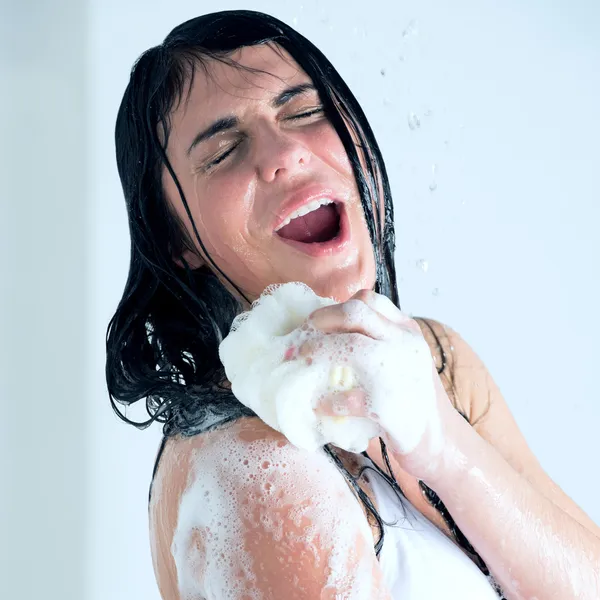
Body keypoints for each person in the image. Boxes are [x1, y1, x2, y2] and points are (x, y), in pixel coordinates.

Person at [106, 9, 600, 600]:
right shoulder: (255, 470)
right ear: (177, 242)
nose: (283, 152)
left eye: (304, 111)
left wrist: (445, 448)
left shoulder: (437, 364)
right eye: (224, 150)